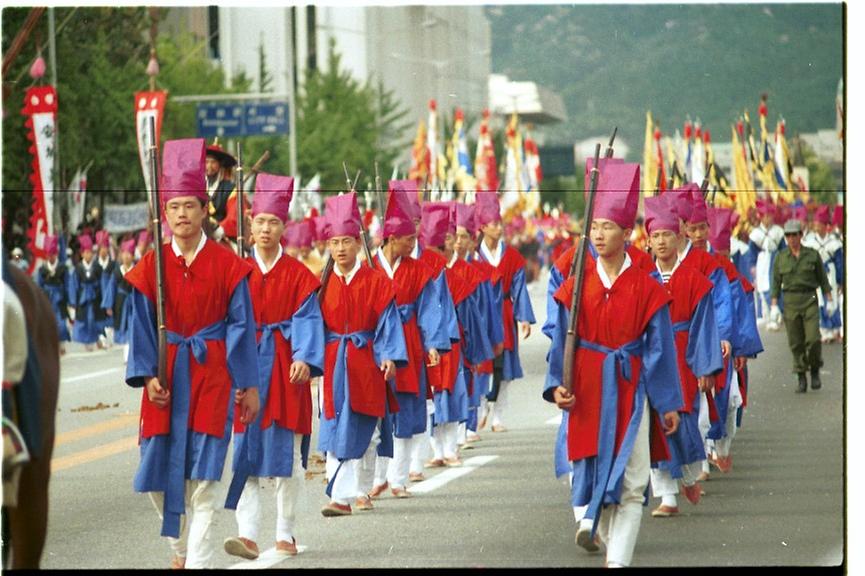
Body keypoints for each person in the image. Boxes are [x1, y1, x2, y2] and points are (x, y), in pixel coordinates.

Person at [124, 138, 261, 569]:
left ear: (205, 210)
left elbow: (242, 327)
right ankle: (180, 548)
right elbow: (142, 326)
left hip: (211, 376)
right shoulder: (152, 266)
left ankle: (197, 562)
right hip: (166, 377)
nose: (182, 214)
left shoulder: (227, 265)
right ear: (164, 214)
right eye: (174, 207)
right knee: (157, 479)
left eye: (190, 205)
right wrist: (148, 376)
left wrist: (248, 385)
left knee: (203, 481)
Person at [544, 161, 682, 567]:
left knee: (634, 483)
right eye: (596, 227)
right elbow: (561, 340)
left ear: (627, 233)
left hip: (629, 389)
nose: (600, 234)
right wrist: (558, 385)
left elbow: (658, 349)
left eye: (609, 227)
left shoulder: (645, 286)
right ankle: (600, 534)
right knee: (589, 478)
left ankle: (617, 563)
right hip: (586, 390)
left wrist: (667, 402)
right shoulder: (576, 284)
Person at [223, 175, 325, 560]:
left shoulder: (300, 275)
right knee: (245, 455)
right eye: (260, 221)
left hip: (285, 371)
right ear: (250, 224)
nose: (266, 229)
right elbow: (226, 325)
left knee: (286, 459)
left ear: (284, 227)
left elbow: (309, 319)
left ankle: (285, 532)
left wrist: (304, 356)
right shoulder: (235, 273)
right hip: (246, 371)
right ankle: (247, 534)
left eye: (273, 222)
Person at [316, 191, 407, 517]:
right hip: (333, 362)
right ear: (328, 246)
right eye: (334, 242)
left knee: (369, 429)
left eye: (346, 241)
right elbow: (311, 325)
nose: (340, 248)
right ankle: (339, 496)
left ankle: (362, 488)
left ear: (358, 243)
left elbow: (387, 323)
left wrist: (388, 355)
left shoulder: (377, 282)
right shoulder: (322, 284)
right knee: (333, 424)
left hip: (366, 360)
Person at [643, 194, 723, 519]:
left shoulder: (695, 280)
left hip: (683, 357)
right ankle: (667, 497)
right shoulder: (641, 281)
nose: (661, 242)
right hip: (652, 360)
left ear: (679, 237)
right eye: (655, 236)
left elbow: (705, 326)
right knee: (655, 427)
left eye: (667, 235)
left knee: (684, 422)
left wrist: (705, 366)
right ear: (648, 241)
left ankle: (689, 475)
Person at [369, 187, 450, 499]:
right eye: (409, 240)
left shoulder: (419, 271)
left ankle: (398, 479)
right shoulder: (369, 267)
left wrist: (432, 343)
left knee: (404, 413)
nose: (414, 245)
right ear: (392, 239)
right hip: (375, 345)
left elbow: (429, 308)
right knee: (375, 412)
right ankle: (376, 478)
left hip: (409, 345)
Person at [421, 201, 492, 467]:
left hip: (453, 343)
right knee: (432, 396)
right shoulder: (422, 268)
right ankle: (436, 450)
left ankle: (450, 448)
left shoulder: (460, 276)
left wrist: (473, 348)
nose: (452, 243)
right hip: (427, 342)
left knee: (451, 394)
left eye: (451, 238)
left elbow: (472, 317)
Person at [474, 191, 536, 433]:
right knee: (481, 364)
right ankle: (481, 408)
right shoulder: (474, 256)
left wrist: (523, 318)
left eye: (499, 224)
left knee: (505, 366)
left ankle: (498, 414)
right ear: (482, 227)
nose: (498, 228)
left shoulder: (511, 256)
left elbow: (519, 288)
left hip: (504, 314)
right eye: (493, 224)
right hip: (480, 317)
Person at [454, 203, 504, 446]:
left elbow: (490, 309)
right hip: (452, 333)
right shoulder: (443, 268)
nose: (458, 242)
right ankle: (456, 427)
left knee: (473, 377)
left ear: (473, 240)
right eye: (455, 236)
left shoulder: (479, 271)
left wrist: (493, 336)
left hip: (475, 330)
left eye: (464, 237)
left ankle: (469, 423)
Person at [771, 219, 833, 393]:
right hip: (790, 301)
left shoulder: (812, 255)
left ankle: (814, 369)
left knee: (813, 339)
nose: (791, 238)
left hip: (810, 298)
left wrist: (829, 299)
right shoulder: (781, 258)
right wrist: (774, 304)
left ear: (801, 235)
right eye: (788, 235)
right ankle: (801, 376)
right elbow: (776, 282)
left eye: (794, 234)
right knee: (796, 342)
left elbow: (823, 278)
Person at [802, 205, 844, 343]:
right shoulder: (810, 242)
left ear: (826, 225)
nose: (817, 227)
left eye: (819, 224)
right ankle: (824, 329)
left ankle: (834, 329)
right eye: (816, 224)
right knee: (819, 301)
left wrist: (840, 281)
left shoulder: (834, 243)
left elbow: (839, 263)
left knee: (832, 301)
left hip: (830, 273)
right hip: (816, 274)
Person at [749, 198, 786, 330]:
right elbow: (752, 252)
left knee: (775, 287)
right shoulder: (756, 234)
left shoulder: (777, 231)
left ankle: (776, 316)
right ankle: (766, 315)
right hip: (762, 262)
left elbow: (783, 248)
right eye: (765, 216)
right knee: (763, 288)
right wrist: (752, 266)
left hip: (776, 260)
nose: (768, 219)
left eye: (770, 216)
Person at [67, 234, 105, 352]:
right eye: (86, 252)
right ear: (82, 254)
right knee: (84, 321)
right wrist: (73, 301)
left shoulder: (97, 267)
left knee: (96, 320)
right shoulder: (78, 268)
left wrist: (103, 297)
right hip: (83, 298)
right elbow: (74, 285)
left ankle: (99, 339)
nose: (88, 255)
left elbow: (102, 283)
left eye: (90, 252)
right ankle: (87, 342)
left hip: (95, 297)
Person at [102, 238, 137, 363]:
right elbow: (111, 288)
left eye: (129, 254)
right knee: (124, 327)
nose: (126, 256)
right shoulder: (117, 271)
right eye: (124, 253)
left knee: (133, 327)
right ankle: (127, 354)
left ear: (133, 256)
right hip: (121, 303)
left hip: (134, 303)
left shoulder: (137, 269)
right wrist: (108, 305)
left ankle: (130, 354)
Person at [35, 235, 71, 355]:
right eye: (49, 254)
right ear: (46, 255)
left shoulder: (63, 269)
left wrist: (70, 301)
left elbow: (68, 285)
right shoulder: (42, 270)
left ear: (56, 254)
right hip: (47, 299)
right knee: (47, 323)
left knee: (61, 324)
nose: (51, 257)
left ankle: (61, 345)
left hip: (60, 299)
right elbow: (38, 287)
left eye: (53, 254)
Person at [95, 230, 116, 348]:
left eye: (105, 247)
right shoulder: (95, 265)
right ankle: (101, 338)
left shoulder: (113, 265)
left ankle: (109, 338)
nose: (103, 250)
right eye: (101, 247)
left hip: (109, 294)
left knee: (110, 319)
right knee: (99, 317)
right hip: (98, 295)